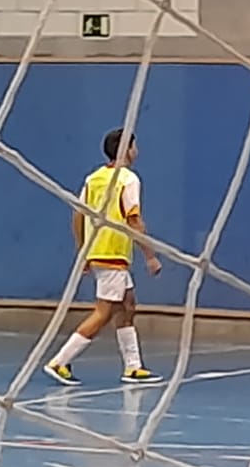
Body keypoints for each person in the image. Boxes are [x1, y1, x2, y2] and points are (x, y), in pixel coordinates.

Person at [45, 127, 162, 385]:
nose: (137, 149)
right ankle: (60, 361)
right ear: (126, 150)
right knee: (104, 312)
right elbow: (134, 220)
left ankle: (133, 367)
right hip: (113, 253)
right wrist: (150, 256)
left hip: (100, 251)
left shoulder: (93, 178)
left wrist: (83, 249)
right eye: (134, 144)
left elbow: (78, 214)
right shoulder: (128, 180)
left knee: (127, 305)